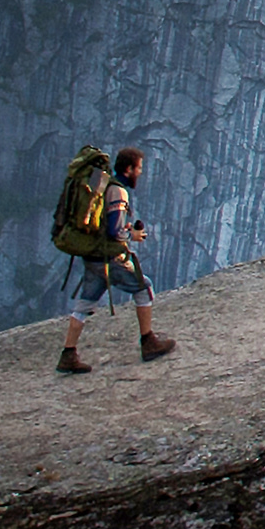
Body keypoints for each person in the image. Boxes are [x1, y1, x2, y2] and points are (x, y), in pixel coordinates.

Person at [60, 147, 174, 372]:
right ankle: (148, 342)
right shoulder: (118, 193)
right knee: (144, 288)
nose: (140, 173)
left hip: (92, 257)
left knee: (84, 305)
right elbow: (115, 230)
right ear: (129, 169)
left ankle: (68, 354)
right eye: (139, 168)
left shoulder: (104, 187)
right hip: (109, 260)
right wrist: (132, 234)